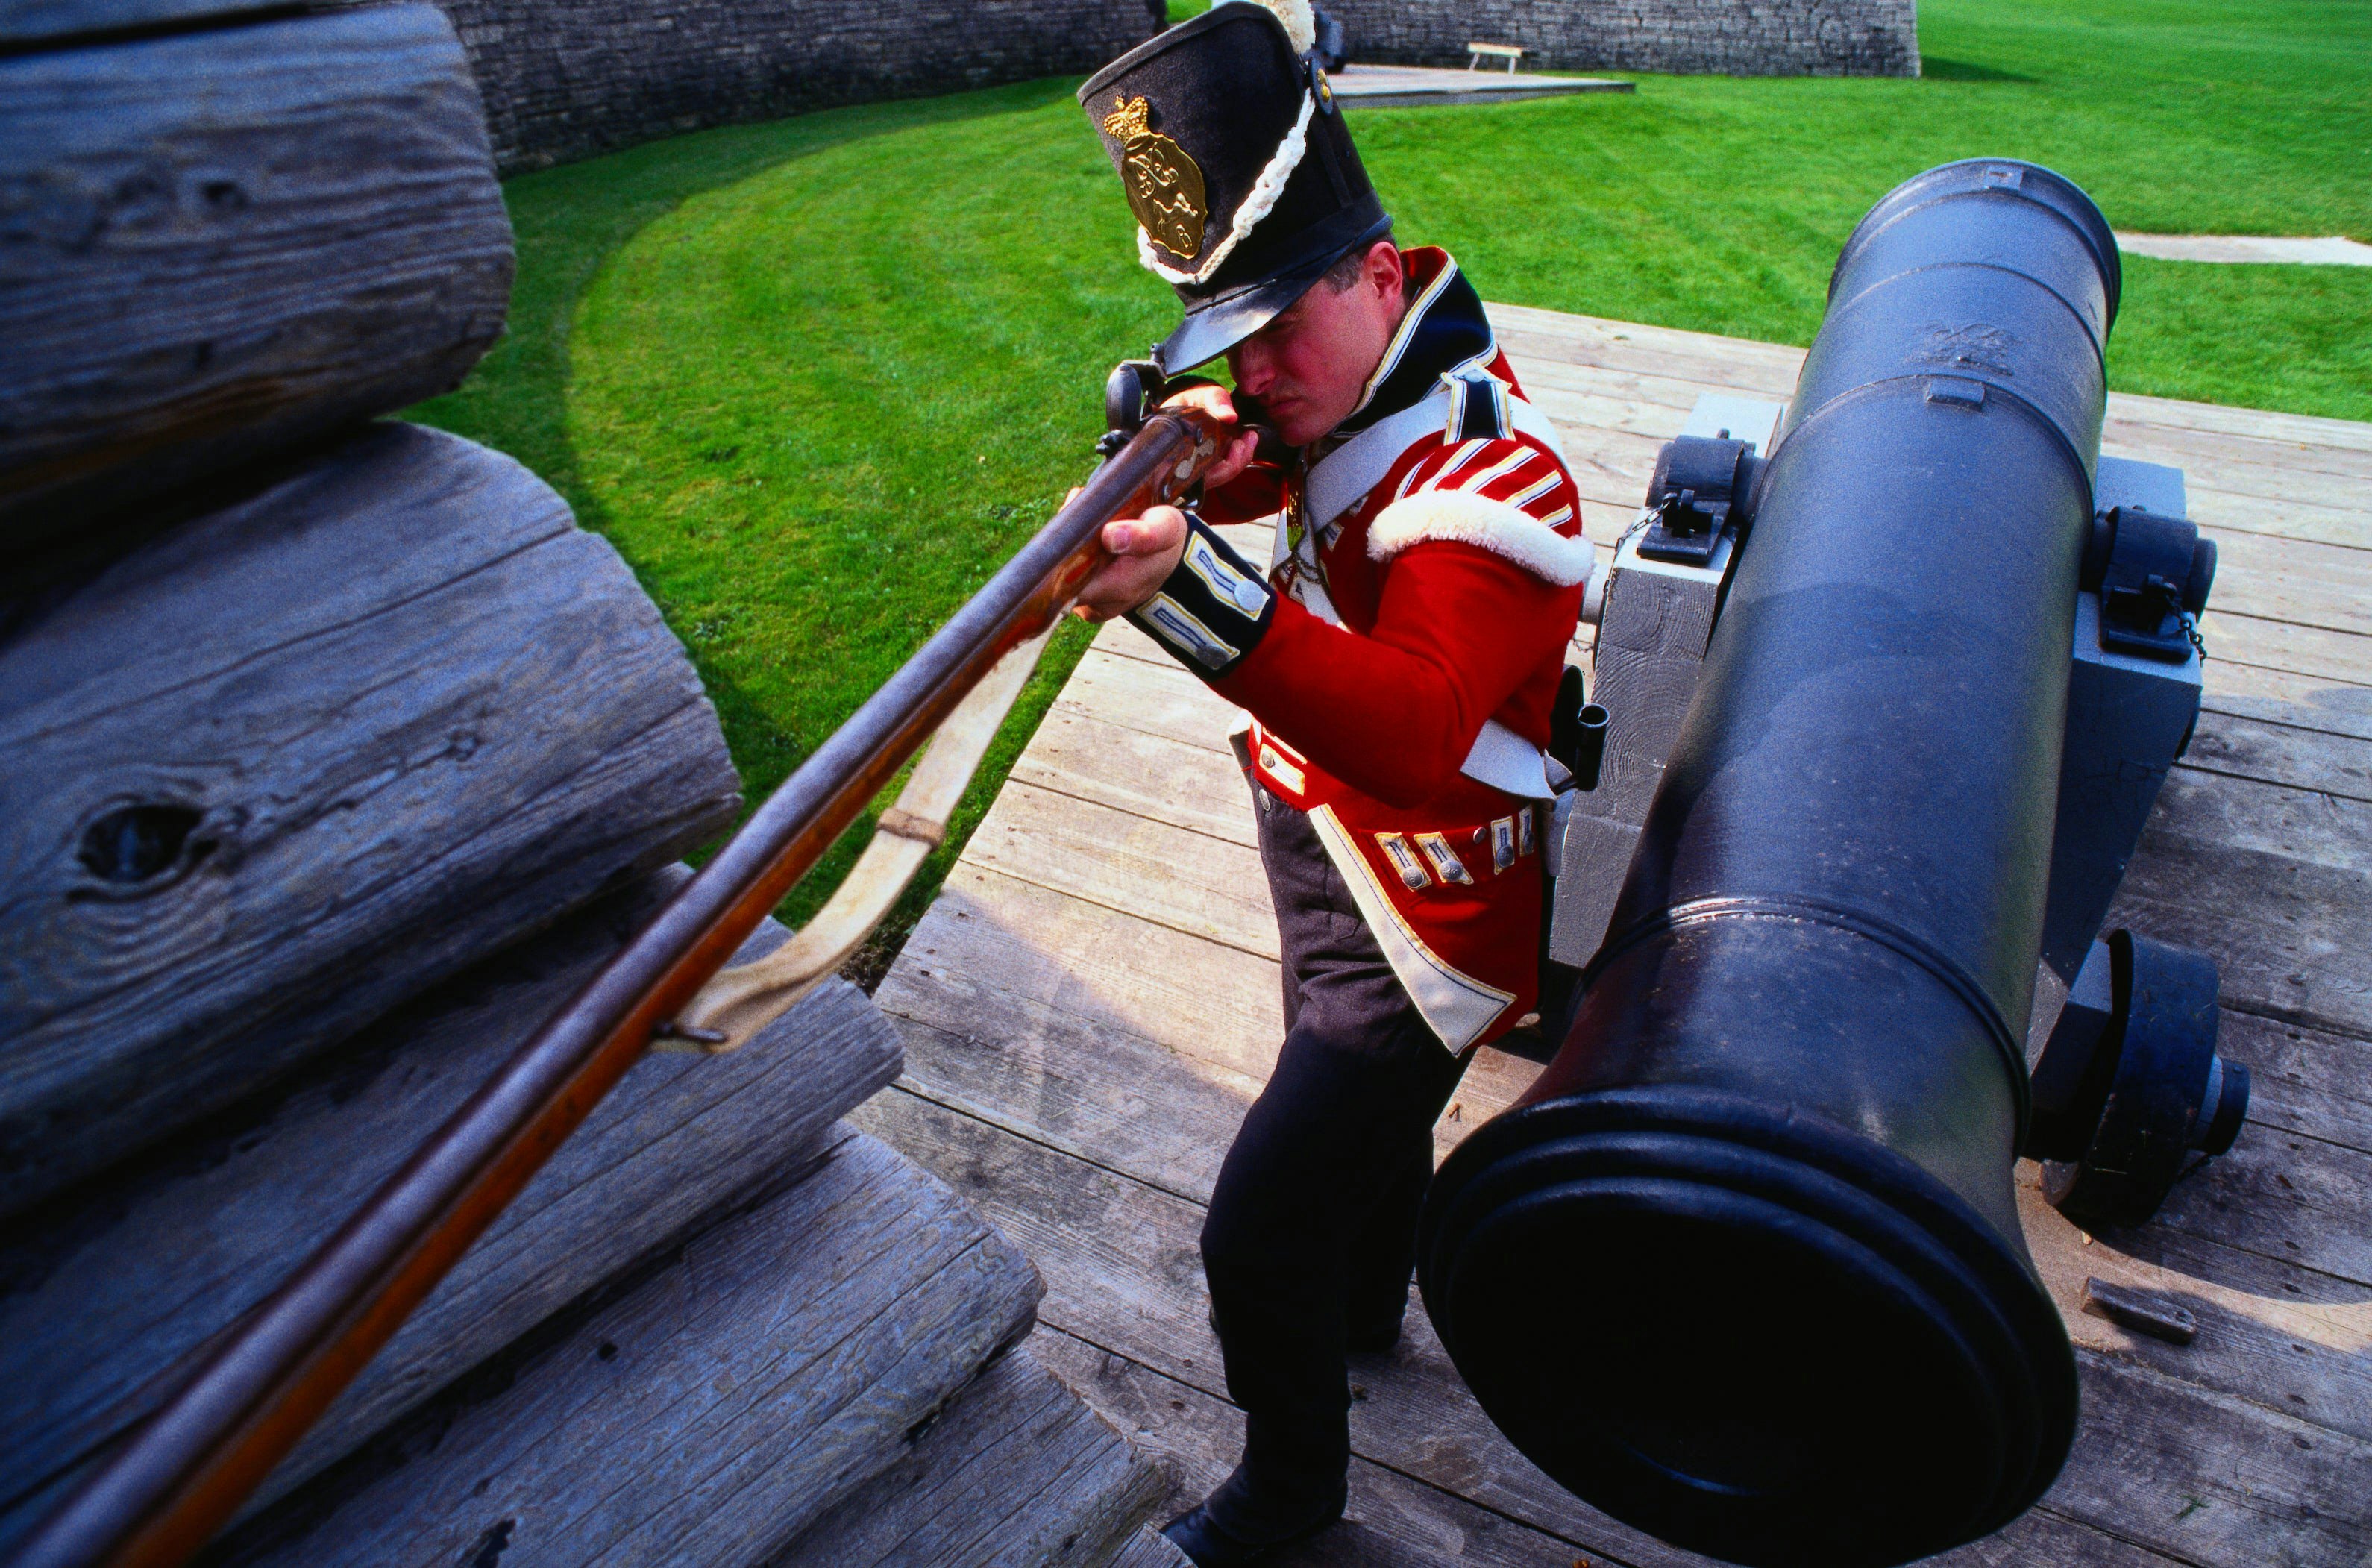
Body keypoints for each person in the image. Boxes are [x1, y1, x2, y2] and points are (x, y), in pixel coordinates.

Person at [1072, 1, 1599, 1561]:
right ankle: (1369, 1308)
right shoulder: (1361, 386)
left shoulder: (1491, 486)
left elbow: (1425, 723)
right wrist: (1205, 454)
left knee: (1255, 1234)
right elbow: (1299, 451)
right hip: (1341, 878)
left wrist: (1191, 588)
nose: (1255, 369)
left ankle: (1290, 1500)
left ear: (1381, 273)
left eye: (1277, 326)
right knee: (1365, 1164)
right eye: (1225, 339)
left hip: (1421, 928)